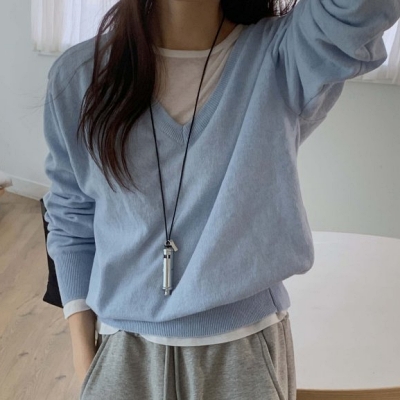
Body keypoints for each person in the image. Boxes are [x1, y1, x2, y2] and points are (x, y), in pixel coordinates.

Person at [42, 0, 400, 399]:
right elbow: (71, 216)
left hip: (243, 356)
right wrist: (85, 359)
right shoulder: (79, 76)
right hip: (122, 355)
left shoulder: (285, 55)